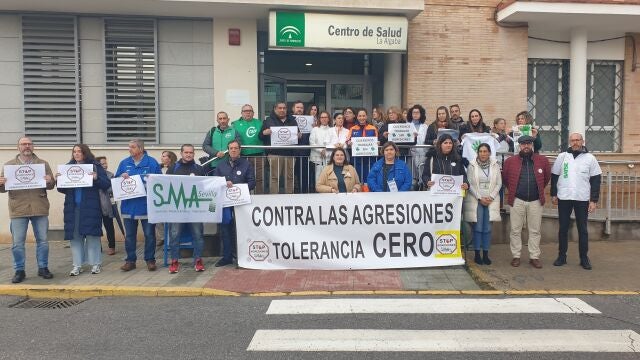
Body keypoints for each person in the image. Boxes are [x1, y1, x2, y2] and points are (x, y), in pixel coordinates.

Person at [0, 136, 55, 283]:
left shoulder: (43, 164)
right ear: (18, 147)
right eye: (23, 144)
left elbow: (51, 185)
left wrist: (50, 180)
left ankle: (43, 268)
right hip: (18, 209)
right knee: (18, 243)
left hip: (39, 207)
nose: (27, 146)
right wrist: (1, 183)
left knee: (43, 241)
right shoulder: (9, 165)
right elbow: (2, 189)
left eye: (29, 144)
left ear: (33, 146)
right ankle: (19, 270)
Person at [57, 144, 110, 276]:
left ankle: (95, 264)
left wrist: (96, 178)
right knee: (75, 238)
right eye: (74, 152)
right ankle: (77, 265)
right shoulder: (68, 167)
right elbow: (61, 189)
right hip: (73, 208)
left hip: (91, 207)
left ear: (85, 153)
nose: (76, 154)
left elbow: (106, 184)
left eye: (79, 151)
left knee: (92, 236)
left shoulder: (94, 166)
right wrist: (59, 180)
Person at [551, 133, 602, 270]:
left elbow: (596, 180)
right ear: (569, 142)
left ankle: (584, 258)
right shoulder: (562, 157)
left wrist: (594, 200)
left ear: (582, 141)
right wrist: (554, 194)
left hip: (582, 198)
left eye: (577, 140)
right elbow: (555, 176)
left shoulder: (590, 158)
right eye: (572, 140)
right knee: (563, 228)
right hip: (564, 197)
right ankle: (562, 256)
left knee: (582, 229)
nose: (575, 142)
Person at [502, 135, 551, 269]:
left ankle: (534, 257)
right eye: (523, 144)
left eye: (528, 144)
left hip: (536, 200)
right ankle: (516, 256)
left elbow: (546, 178)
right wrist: (514, 191)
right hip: (517, 199)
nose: (526, 146)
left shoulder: (542, 160)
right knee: (515, 230)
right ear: (519, 146)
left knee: (535, 230)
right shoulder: (510, 161)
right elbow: (505, 179)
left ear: (532, 145)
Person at [115, 138, 162, 271]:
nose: (130, 149)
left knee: (149, 235)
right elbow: (116, 181)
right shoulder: (124, 163)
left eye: (133, 147)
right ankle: (130, 260)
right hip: (129, 206)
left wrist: (148, 182)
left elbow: (159, 182)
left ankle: (150, 260)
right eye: (129, 147)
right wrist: (120, 177)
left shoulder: (151, 163)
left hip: (146, 206)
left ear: (140, 149)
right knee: (129, 236)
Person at [213, 140, 256, 267]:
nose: (233, 150)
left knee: (241, 229)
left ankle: (241, 257)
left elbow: (252, 182)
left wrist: (238, 187)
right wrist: (224, 184)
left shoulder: (246, 164)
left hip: (241, 203)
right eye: (231, 148)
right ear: (228, 150)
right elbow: (215, 182)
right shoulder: (221, 165)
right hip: (225, 204)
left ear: (240, 150)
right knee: (225, 229)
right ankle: (226, 257)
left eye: (236, 148)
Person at [166, 144, 207, 274]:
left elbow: (204, 187)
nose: (188, 155)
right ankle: (174, 261)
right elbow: (166, 186)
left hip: (195, 209)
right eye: (186, 152)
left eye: (191, 152)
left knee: (198, 235)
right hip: (177, 209)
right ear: (181, 153)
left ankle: (198, 260)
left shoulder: (199, 169)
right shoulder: (173, 168)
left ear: (194, 154)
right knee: (174, 235)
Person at [464, 143, 502, 265]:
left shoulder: (495, 165)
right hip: (477, 200)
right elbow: (469, 184)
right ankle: (477, 254)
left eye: (485, 151)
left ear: (489, 152)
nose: (483, 154)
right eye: (480, 151)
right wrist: (480, 198)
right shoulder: (472, 165)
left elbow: (499, 183)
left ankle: (485, 254)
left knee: (487, 228)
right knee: (478, 228)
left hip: (491, 199)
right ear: (477, 153)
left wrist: (490, 197)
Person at [259, 101, 301, 194]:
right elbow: (260, 136)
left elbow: (298, 134)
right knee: (274, 178)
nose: (282, 110)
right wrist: (264, 133)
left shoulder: (292, 120)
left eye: (284, 108)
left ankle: (289, 198)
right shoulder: (268, 120)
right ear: (275, 109)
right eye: (280, 108)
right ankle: (274, 199)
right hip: (274, 154)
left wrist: (299, 135)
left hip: (290, 154)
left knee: (289, 178)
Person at [232, 104, 265, 194]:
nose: (248, 113)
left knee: (259, 177)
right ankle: (244, 196)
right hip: (242, 156)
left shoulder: (260, 123)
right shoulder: (235, 124)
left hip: (258, 155)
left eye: (250, 111)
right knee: (242, 177)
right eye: (245, 111)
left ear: (253, 113)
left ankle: (259, 196)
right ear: (241, 113)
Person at [347, 108, 378, 182]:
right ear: (357, 117)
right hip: (356, 159)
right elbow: (348, 140)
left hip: (370, 159)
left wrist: (377, 143)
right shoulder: (352, 129)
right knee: (357, 179)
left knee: (369, 178)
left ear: (366, 117)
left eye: (363, 116)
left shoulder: (373, 128)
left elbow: (377, 140)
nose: (362, 118)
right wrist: (349, 143)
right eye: (360, 116)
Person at [96, 156, 117, 255]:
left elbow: (111, 189)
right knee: (96, 227)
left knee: (109, 226)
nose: (105, 165)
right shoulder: (92, 175)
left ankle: (112, 246)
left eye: (105, 163)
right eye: (102, 164)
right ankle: (97, 247)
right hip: (95, 205)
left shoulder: (110, 175)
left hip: (106, 204)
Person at [292, 100, 314, 193]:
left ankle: (304, 192)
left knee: (304, 174)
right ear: (293, 109)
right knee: (292, 175)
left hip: (305, 152)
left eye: (301, 108)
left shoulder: (309, 120)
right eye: (297, 107)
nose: (299, 109)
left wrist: (314, 127)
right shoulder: (289, 119)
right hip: (292, 152)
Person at [309, 111, 338, 183]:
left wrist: (327, 151)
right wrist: (321, 150)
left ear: (328, 119)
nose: (324, 119)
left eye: (326, 117)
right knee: (318, 179)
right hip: (317, 158)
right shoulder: (315, 129)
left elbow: (334, 142)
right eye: (322, 117)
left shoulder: (333, 130)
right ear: (319, 119)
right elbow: (312, 143)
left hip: (329, 158)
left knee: (329, 179)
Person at [408, 104, 429, 190]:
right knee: (413, 178)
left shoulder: (425, 126)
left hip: (423, 154)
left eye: (417, 112)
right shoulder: (407, 125)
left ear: (421, 114)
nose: (415, 114)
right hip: (412, 154)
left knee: (423, 176)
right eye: (414, 112)